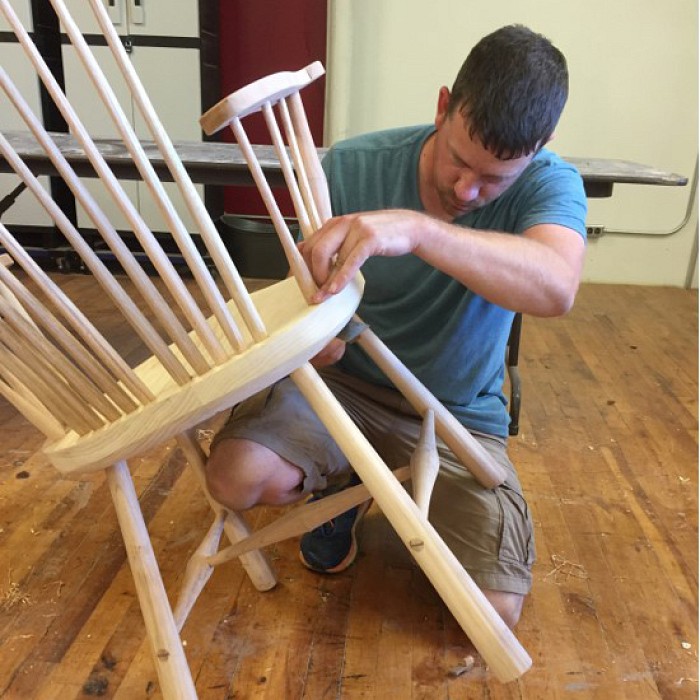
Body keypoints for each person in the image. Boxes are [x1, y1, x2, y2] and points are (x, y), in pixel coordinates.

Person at [205, 24, 587, 630]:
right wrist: (309, 339)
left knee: (492, 614)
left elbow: (556, 286)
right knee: (236, 478)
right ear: (442, 106)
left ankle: (376, 482)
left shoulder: (549, 184)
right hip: (343, 393)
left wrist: (420, 230)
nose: (467, 188)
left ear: (540, 147)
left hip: (453, 413)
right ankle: (345, 481)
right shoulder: (355, 166)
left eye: (494, 179)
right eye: (460, 161)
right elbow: (298, 293)